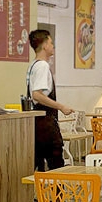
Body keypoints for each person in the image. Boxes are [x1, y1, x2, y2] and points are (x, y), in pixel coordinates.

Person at [27, 29, 74, 170]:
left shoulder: (33, 65)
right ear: (45, 45)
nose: (53, 46)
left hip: (36, 124)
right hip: (46, 124)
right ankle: (58, 192)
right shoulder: (42, 66)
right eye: (51, 43)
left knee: (40, 165)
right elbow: (37, 94)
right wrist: (61, 107)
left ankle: (43, 192)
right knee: (56, 164)